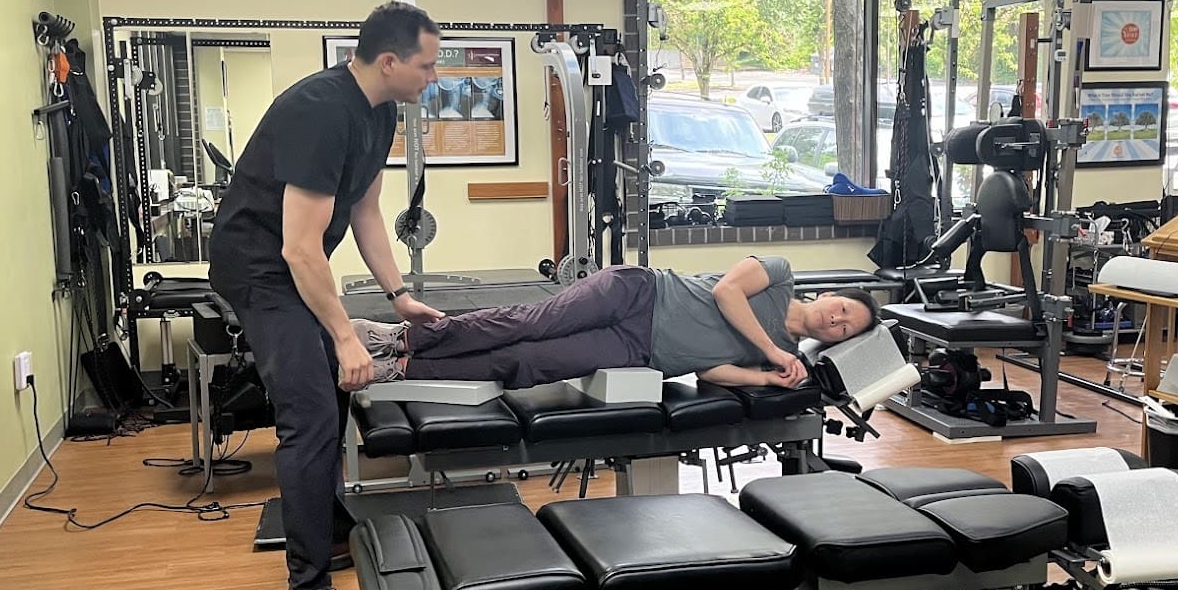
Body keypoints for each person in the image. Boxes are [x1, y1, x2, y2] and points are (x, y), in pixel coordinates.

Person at [209, 1, 445, 590]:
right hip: (260, 269)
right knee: (309, 413)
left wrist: (397, 295)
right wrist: (344, 335)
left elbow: (365, 211)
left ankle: (329, 529)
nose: (434, 75)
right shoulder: (322, 111)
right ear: (390, 61)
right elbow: (298, 249)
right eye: (426, 64)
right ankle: (306, 588)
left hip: (294, 264)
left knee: (334, 397)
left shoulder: (381, 111)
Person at [350, 257, 878, 390]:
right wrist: (775, 353)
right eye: (845, 310)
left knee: (530, 363)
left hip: (636, 350)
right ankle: (404, 334)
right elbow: (726, 292)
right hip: (638, 291)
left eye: (847, 329)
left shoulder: (776, 357)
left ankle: (403, 367)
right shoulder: (780, 277)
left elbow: (708, 369)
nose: (837, 321)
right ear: (829, 296)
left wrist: (764, 375)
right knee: (529, 323)